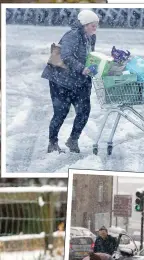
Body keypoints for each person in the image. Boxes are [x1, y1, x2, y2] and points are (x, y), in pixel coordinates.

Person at [42, 10, 99, 154]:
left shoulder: (91, 38)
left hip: (78, 80)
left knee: (84, 111)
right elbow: (66, 55)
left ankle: (73, 139)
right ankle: (53, 143)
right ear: (85, 24)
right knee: (61, 112)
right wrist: (82, 68)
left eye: (96, 24)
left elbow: (90, 55)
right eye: (93, 25)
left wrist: (98, 66)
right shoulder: (72, 36)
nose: (96, 27)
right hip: (61, 80)